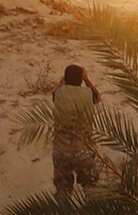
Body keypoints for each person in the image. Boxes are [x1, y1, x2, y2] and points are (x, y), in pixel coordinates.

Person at [51, 64, 102, 195]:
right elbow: (98, 97)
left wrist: (64, 80)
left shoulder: (59, 94)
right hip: (83, 150)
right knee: (91, 188)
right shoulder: (88, 93)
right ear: (81, 80)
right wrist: (87, 79)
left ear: (65, 79)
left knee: (62, 192)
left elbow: (55, 93)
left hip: (61, 151)